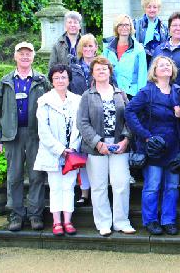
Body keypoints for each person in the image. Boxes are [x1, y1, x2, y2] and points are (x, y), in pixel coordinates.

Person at [0, 42, 49, 231]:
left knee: (36, 176)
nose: (25, 56)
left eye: (28, 53)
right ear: (15, 56)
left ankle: (35, 215)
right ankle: (16, 216)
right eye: (21, 53)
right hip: (11, 136)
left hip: (35, 135)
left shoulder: (41, 80)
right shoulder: (6, 81)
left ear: (33, 57)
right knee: (14, 176)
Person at [77, 56, 135, 236]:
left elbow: (130, 120)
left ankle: (121, 222)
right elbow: (82, 123)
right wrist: (97, 143)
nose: (102, 71)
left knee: (121, 184)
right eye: (98, 69)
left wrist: (126, 140)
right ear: (92, 73)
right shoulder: (87, 95)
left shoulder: (121, 93)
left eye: (105, 68)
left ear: (110, 72)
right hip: (96, 148)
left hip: (119, 146)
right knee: (99, 186)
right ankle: (103, 223)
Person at [125, 56, 180, 236]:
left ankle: (168, 220)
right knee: (153, 185)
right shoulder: (147, 92)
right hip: (153, 147)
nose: (165, 68)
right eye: (161, 65)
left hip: (174, 147)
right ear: (154, 71)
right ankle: (150, 220)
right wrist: (145, 136)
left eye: (168, 65)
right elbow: (129, 111)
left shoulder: (178, 91)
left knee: (172, 186)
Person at [34, 64, 81, 236]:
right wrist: (60, 149)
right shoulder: (44, 100)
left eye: (63, 77)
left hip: (72, 152)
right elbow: (43, 130)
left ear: (69, 79)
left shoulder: (77, 100)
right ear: (51, 80)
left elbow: (80, 126)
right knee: (55, 187)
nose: (60, 80)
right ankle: (56, 222)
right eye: (56, 77)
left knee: (69, 186)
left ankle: (68, 221)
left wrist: (72, 147)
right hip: (52, 152)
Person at [69, 33, 98, 206]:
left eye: (91, 46)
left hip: (98, 112)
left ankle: (96, 191)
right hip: (79, 112)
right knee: (81, 153)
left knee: (94, 155)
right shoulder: (73, 68)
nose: (88, 49)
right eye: (85, 46)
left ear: (96, 47)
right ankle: (84, 192)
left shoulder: (101, 64)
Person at [103, 14, 147, 99]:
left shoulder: (139, 49)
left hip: (132, 94)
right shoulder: (107, 49)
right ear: (116, 27)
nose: (124, 27)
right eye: (121, 24)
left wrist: (141, 96)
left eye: (127, 25)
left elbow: (142, 75)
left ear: (131, 27)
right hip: (112, 92)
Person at [133, 0, 168, 66]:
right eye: (149, 7)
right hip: (139, 59)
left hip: (157, 61)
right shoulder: (135, 24)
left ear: (158, 9)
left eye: (155, 7)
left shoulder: (164, 27)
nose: (152, 10)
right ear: (144, 8)